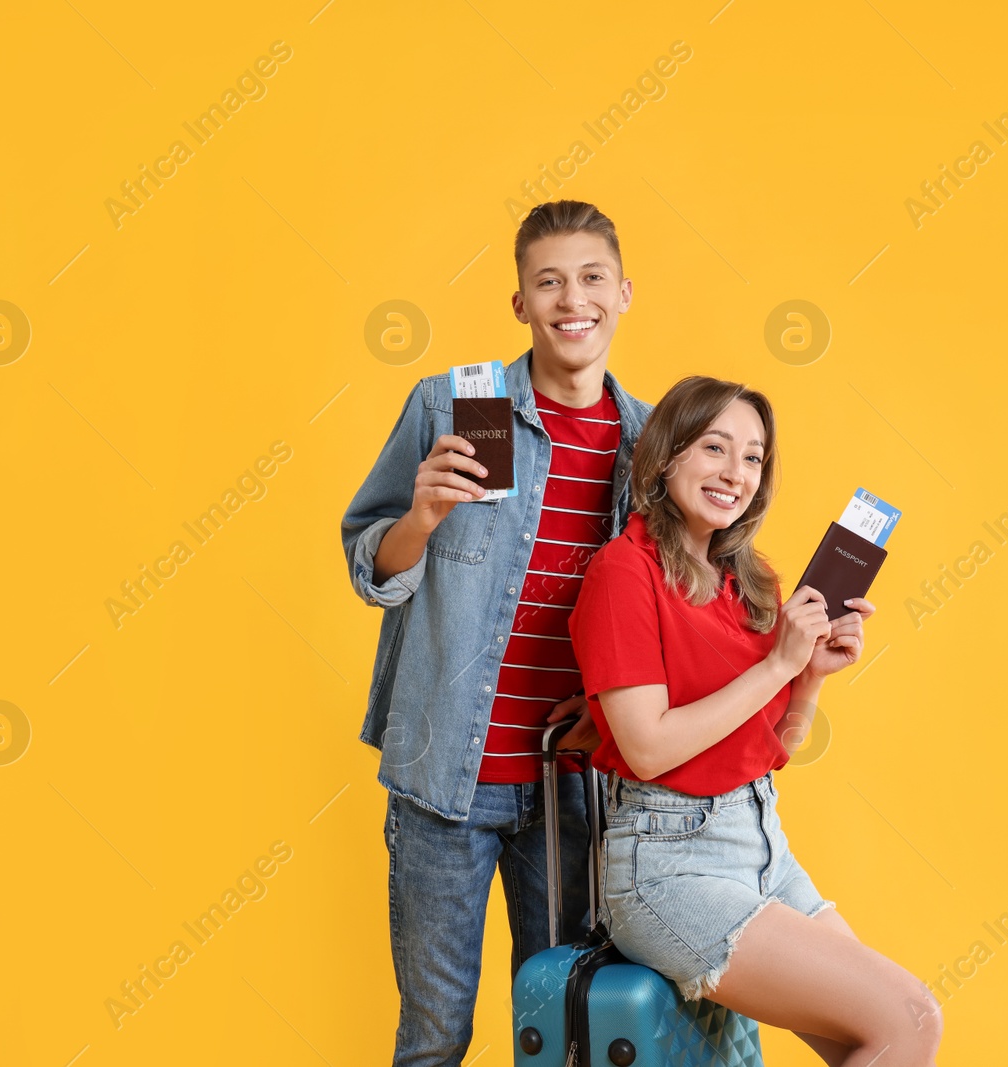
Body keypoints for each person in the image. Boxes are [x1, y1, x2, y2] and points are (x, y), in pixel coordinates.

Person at [341, 201, 655, 1067]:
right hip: (447, 774)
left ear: (624, 293)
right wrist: (424, 512)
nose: (571, 299)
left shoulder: (653, 439)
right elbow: (368, 561)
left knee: (559, 1035)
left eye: (591, 278)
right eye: (547, 281)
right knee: (435, 1039)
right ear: (520, 302)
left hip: (575, 787)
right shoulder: (453, 402)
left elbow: (670, 603)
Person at [567, 376, 943, 1066]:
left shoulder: (750, 581)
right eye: (715, 447)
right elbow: (647, 747)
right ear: (667, 456)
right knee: (910, 1019)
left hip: (760, 842)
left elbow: (774, 749)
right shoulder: (624, 574)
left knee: (899, 1028)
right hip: (668, 866)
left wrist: (811, 676)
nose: (735, 472)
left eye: (753, 457)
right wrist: (776, 667)